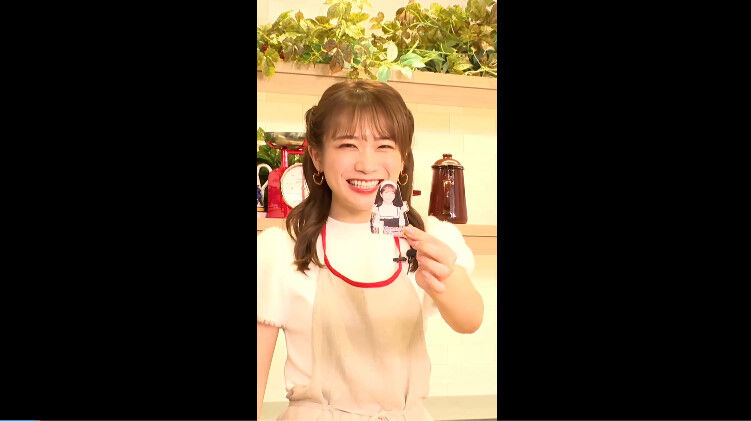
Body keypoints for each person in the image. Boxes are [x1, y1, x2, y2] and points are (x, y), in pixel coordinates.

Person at [257, 79, 484, 421]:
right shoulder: (281, 249)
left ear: (403, 157)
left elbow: (470, 320)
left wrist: (444, 277)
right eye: (348, 144)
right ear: (317, 156)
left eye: (384, 146)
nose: (366, 164)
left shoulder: (431, 238)